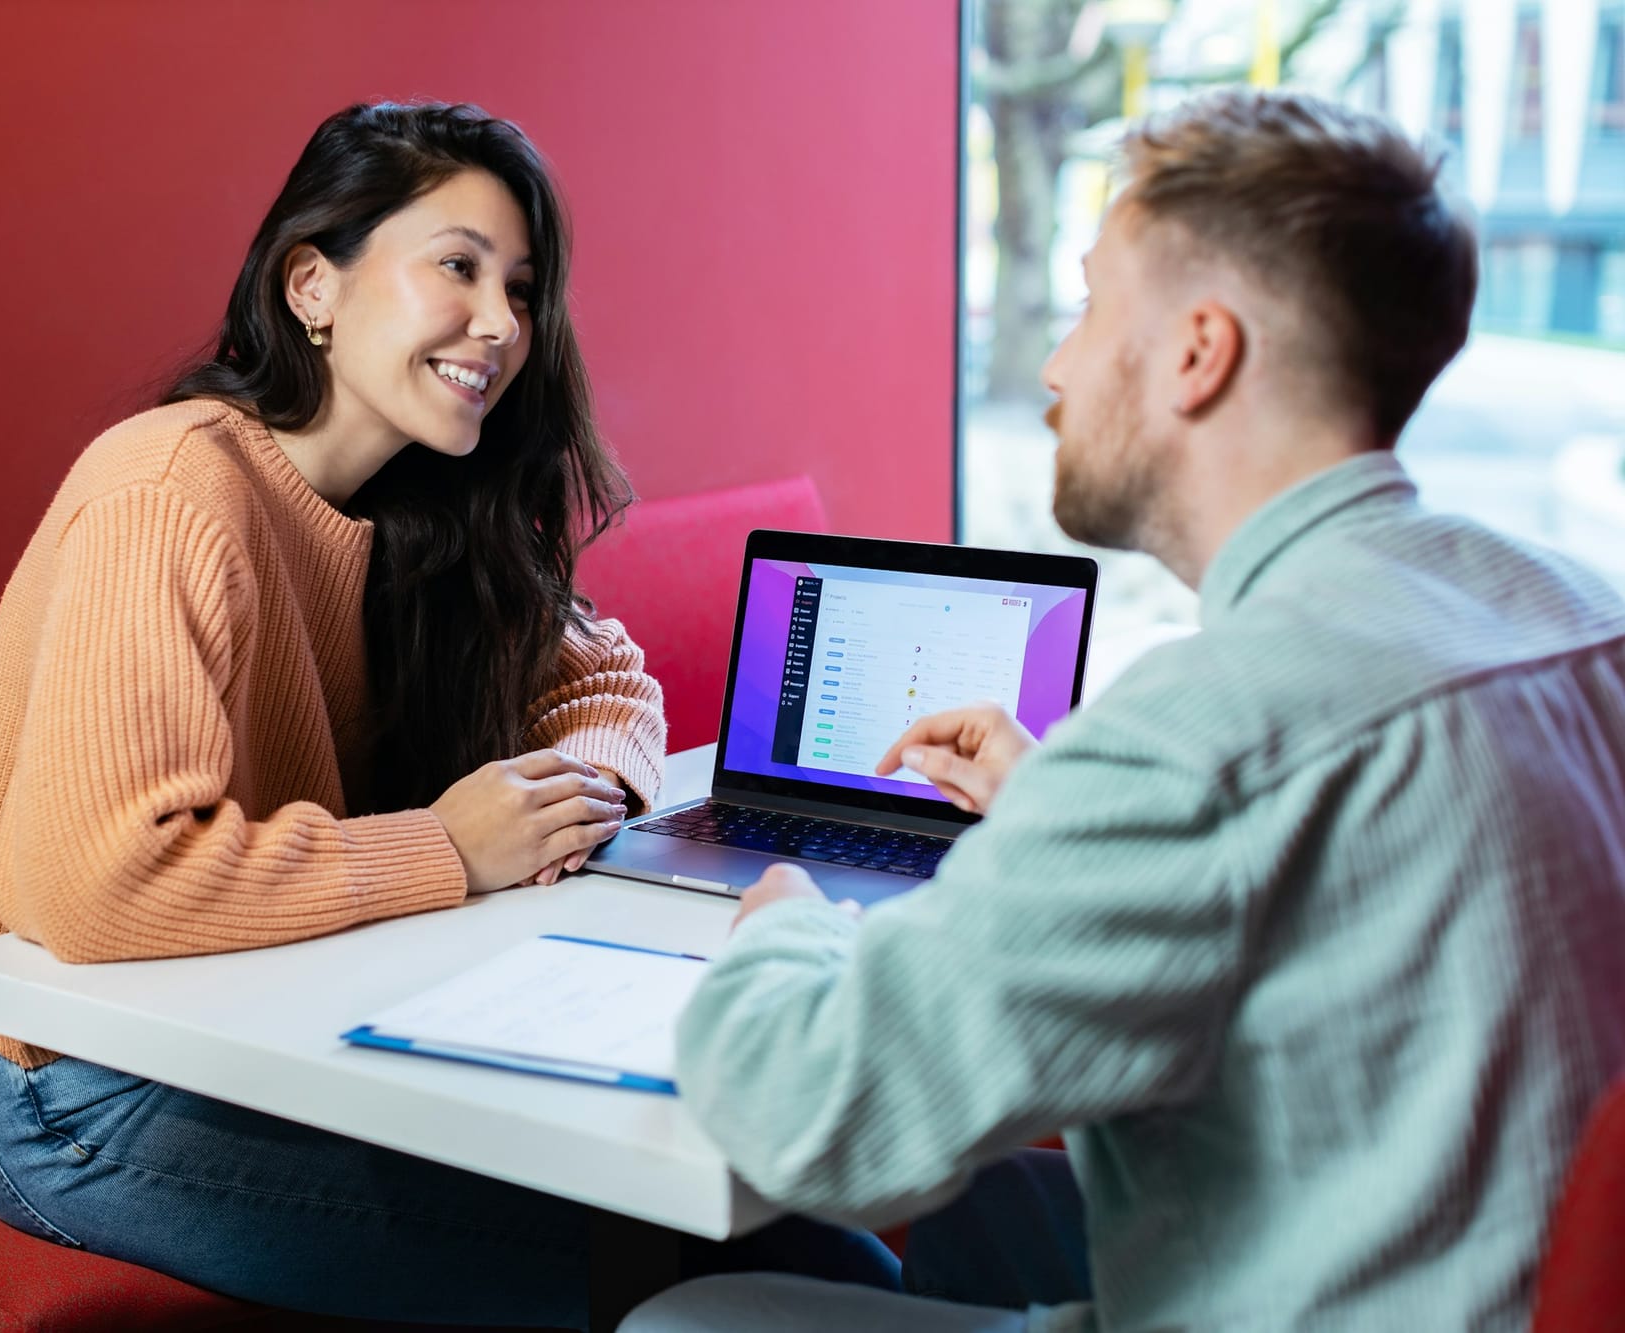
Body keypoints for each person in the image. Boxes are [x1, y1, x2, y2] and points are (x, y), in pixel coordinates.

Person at [624, 88, 1625, 1332]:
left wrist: (786, 928)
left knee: (686, 1319)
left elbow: (804, 1116)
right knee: (966, 1208)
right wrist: (1062, 808)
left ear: (1198, 353)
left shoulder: (1199, 734)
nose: (1053, 363)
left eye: (1092, 305)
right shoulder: (1581, 615)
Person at [0, 101, 898, 1328]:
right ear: (312, 286)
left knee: (809, 1241)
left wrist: (570, 798)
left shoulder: (432, 497)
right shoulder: (168, 490)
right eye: (457, 266)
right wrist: (448, 848)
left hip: (306, 1027)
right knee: (778, 1283)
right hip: (82, 1094)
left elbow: (604, 684)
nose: (501, 324)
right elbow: (97, 879)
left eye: (520, 285)